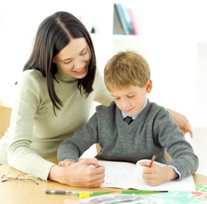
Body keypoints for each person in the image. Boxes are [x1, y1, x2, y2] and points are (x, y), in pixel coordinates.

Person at [0, 11, 192, 187]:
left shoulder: (92, 76)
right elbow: (16, 150)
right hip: (20, 170)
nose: (79, 65)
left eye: (84, 53)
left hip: (66, 168)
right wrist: (62, 173)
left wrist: (165, 112)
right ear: (52, 59)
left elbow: (126, 101)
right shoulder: (31, 82)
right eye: (67, 61)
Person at [57, 51, 198, 187]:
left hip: (148, 190)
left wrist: (167, 173)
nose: (124, 104)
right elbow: (70, 145)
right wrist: (69, 163)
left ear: (148, 86)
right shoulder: (103, 116)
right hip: (106, 188)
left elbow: (189, 158)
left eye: (130, 96)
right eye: (117, 98)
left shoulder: (159, 118)